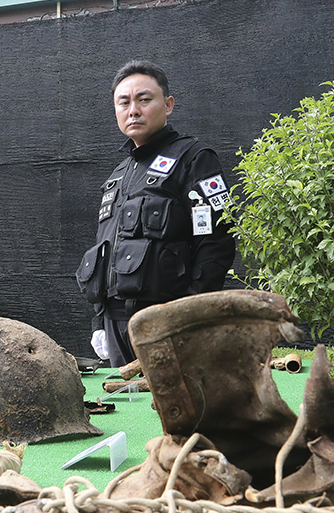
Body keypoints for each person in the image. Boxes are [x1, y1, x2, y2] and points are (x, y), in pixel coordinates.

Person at [76, 60, 235, 367]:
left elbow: (216, 239)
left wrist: (186, 315)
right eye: (124, 102)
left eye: (144, 99)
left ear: (168, 104)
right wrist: (99, 322)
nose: (133, 109)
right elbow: (105, 254)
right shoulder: (118, 175)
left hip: (167, 320)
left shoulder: (194, 158)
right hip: (115, 327)